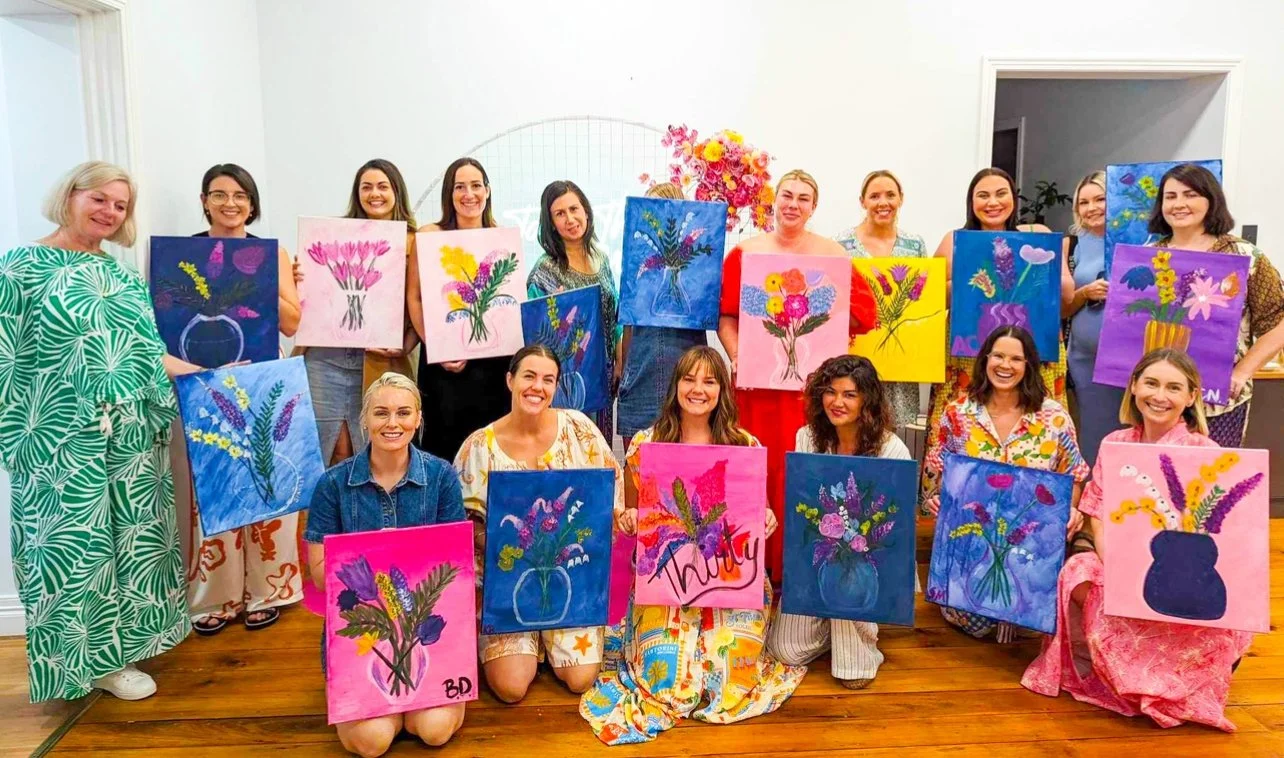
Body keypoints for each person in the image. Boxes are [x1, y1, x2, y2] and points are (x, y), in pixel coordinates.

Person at [0, 162, 203, 702]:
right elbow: (5, 354)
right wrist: (19, 434)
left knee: (135, 543)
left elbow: (146, 354)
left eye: (120, 205)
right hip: (61, 438)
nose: (110, 212)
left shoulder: (124, 278)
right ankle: (76, 660)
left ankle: (120, 656)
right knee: (73, 549)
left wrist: (210, 375)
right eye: (100, 199)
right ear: (70, 194)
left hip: (134, 434)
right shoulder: (21, 268)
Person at [1021, 349, 1254, 731]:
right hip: (1123, 561)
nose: (1159, 395)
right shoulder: (1115, 443)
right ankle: (1120, 677)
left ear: (1191, 397)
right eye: (1151, 383)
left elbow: (1223, 535)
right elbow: (1097, 513)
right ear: (1133, 386)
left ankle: (1175, 681)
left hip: (1185, 572)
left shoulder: (1207, 453)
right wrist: (1116, 566)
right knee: (1078, 570)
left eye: (1173, 387)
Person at [581, 346, 802, 744]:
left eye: (709, 381)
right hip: (665, 582)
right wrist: (629, 520)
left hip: (729, 581)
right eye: (689, 379)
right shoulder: (646, 444)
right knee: (665, 678)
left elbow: (757, 514)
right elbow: (635, 520)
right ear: (675, 386)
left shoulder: (744, 445)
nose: (698, 389)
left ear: (722, 390)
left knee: (727, 674)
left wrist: (766, 518)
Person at [717, 168, 878, 582]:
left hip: (810, 394)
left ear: (813, 207)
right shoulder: (746, 253)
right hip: (756, 388)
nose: (793, 204)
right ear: (775, 200)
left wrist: (827, 339)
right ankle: (752, 567)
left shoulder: (833, 256)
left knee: (801, 469)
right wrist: (738, 355)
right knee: (757, 468)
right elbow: (726, 318)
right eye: (787, 195)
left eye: (803, 198)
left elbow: (864, 315)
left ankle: (798, 571)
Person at [304, 372, 467, 755]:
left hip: (428, 633)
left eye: (403, 413)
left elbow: (455, 570)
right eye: (381, 413)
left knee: (433, 729)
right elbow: (319, 578)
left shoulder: (442, 477)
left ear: (418, 418)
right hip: (362, 638)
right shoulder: (332, 485)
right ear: (365, 420)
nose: (392, 423)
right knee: (372, 741)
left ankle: (415, 705)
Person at [454, 345, 623, 703]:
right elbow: (460, 525)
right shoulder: (478, 447)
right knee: (511, 688)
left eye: (548, 379)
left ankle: (553, 641)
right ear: (510, 380)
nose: (538, 387)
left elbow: (609, 494)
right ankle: (530, 646)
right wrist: (501, 541)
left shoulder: (579, 430)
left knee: (580, 679)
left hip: (571, 581)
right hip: (506, 583)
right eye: (529, 376)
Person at [188, 163, 304, 635]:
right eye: (219, 195)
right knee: (215, 486)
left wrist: (254, 284)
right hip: (207, 380)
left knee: (268, 481)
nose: (230, 204)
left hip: (265, 378)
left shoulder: (272, 253)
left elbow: (293, 323)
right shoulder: (184, 254)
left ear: (252, 204)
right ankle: (215, 596)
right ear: (204, 201)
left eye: (240, 196)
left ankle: (269, 590)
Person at [922, 325, 1089, 642]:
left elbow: (1074, 475)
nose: (1005, 365)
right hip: (967, 565)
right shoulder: (958, 413)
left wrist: (1071, 509)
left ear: (1029, 365)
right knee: (969, 622)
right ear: (984, 359)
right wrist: (940, 498)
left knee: (1024, 626)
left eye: (1016, 358)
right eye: (997, 355)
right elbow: (941, 473)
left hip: (1031, 566)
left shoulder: (1054, 418)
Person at [921, 167, 1075, 504]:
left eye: (1000, 193)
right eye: (983, 195)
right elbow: (932, 296)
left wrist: (1053, 268)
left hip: (1030, 349)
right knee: (967, 426)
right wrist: (961, 282)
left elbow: (1066, 296)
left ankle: (1031, 502)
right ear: (971, 202)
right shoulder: (954, 240)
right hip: (968, 351)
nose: (993, 202)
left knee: (1031, 422)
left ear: (1013, 197)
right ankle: (955, 502)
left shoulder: (1038, 234)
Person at [767, 354, 913, 689]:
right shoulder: (807, 437)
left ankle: (858, 642)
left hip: (866, 565)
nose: (837, 402)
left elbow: (896, 531)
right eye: (831, 392)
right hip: (815, 557)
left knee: (847, 581)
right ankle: (834, 626)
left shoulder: (892, 450)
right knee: (784, 651)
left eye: (849, 394)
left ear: (867, 400)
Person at [1144, 163, 1284, 447]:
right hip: (1156, 399)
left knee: (1210, 481)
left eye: (1190, 194)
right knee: (1155, 478)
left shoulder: (1244, 256)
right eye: (1170, 197)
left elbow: (1278, 320)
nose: (1179, 204)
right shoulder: (1147, 256)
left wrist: (1243, 371)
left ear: (1211, 200)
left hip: (1219, 402)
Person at [303, 159, 419, 466]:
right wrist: (300, 277)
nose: (374, 194)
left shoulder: (415, 242)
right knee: (332, 451)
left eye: (382, 186)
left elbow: (422, 303)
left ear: (397, 192)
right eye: (366, 187)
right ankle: (331, 515)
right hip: (327, 358)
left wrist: (406, 344)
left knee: (373, 452)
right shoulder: (333, 236)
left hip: (381, 360)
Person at [409, 158, 514, 461]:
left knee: (489, 450)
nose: (469, 194)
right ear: (449, 194)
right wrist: (439, 346)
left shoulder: (502, 237)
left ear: (488, 190)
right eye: (460, 187)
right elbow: (414, 298)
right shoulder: (429, 235)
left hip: (494, 365)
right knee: (441, 449)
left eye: (476, 185)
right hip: (444, 364)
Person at [834, 170, 930, 427]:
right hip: (854, 353)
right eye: (874, 196)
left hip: (899, 358)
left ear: (901, 199)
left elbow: (922, 297)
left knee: (890, 433)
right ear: (862, 201)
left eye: (890, 195)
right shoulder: (841, 244)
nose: (883, 202)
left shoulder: (915, 245)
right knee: (852, 424)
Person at [525, 180, 620, 441]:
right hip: (565, 384)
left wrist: (620, 361)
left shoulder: (601, 259)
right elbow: (534, 335)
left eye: (574, 209)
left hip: (605, 379)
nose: (570, 219)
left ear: (586, 211)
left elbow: (616, 317)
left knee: (599, 448)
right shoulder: (544, 270)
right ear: (550, 223)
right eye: (560, 213)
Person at [616, 181, 709, 444]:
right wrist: (625, 372)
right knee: (638, 464)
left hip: (686, 371)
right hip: (641, 372)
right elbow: (628, 326)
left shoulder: (700, 268)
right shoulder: (635, 265)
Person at [1062, 170, 1122, 469]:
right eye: (1083, 202)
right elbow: (1060, 308)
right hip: (1084, 358)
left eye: (1100, 198)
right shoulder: (1071, 245)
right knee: (1090, 429)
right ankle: (1088, 504)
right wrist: (1085, 293)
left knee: (1128, 430)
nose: (1092, 208)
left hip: (1130, 357)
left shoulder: (1140, 241)